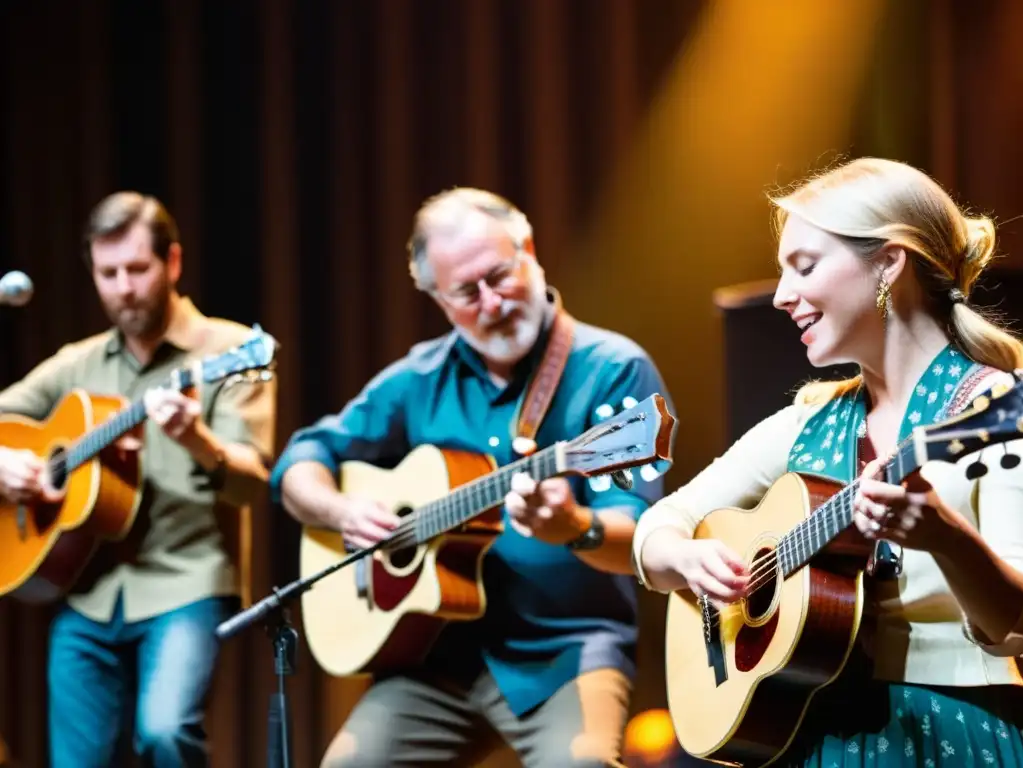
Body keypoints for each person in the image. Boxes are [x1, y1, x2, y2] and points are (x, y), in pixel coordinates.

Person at [633, 157, 1023, 765]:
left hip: (947, 734)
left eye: (805, 267)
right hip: (809, 739)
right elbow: (656, 531)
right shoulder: (805, 423)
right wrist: (687, 557)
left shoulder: (993, 409)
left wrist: (945, 537)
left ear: (888, 263)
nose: (784, 296)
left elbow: (1018, 624)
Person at [271, 187, 672, 767]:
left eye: (501, 275)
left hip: (562, 652)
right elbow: (300, 461)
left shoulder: (613, 370)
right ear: (437, 297)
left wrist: (574, 526)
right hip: (434, 659)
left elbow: (638, 536)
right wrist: (343, 512)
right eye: (466, 292)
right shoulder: (418, 378)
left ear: (529, 249)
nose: (492, 302)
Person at [0, 192, 277, 768]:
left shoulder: (227, 351)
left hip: (187, 581)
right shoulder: (79, 363)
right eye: (108, 273)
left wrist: (196, 438)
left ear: (172, 263)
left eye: (137, 269)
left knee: (165, 733)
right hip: (90, 590)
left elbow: (252, 482)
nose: (123, 287)